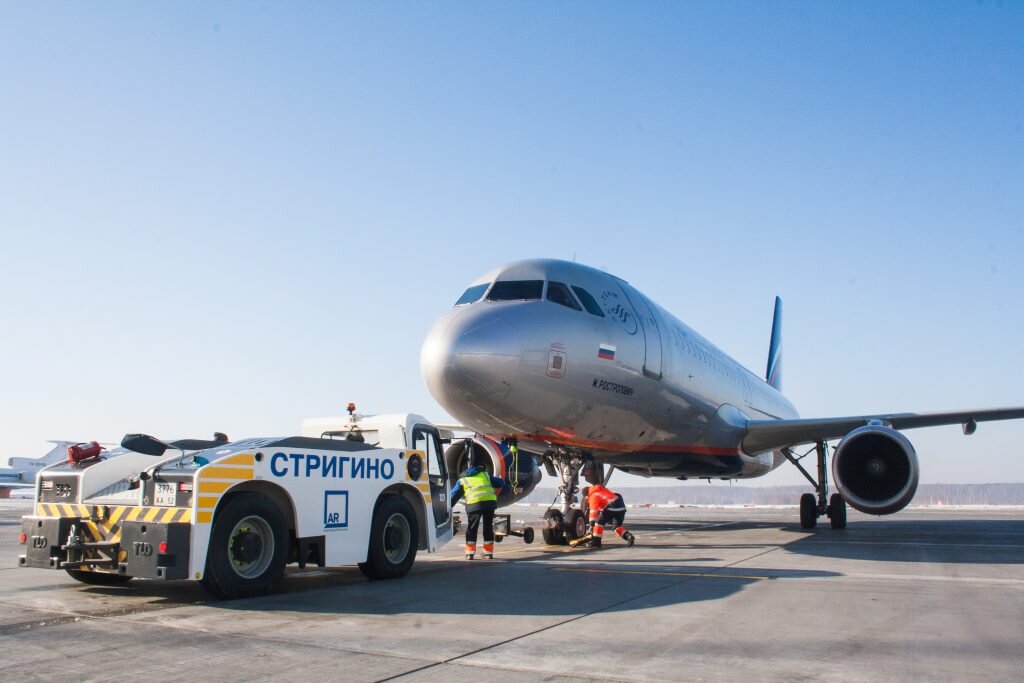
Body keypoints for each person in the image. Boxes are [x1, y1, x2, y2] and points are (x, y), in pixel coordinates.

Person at [450, 448, 505, 560]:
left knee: (472, 528)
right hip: (489, 504)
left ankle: (470, 553)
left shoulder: (462, 480)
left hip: (474, 505)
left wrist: (447, 507)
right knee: (488, 527)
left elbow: (453, 495)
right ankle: (488, 553)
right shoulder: (484, 475)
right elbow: (500, 483)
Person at [582, 484, 635, 548]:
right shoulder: (600, 490)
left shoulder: (593, 495)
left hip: (612, 506)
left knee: (598, 523)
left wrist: (591, 524)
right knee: (616, 527)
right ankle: (628, 536)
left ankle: (596, 541)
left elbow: (593, 510)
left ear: (586, 495)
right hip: (621, 507)